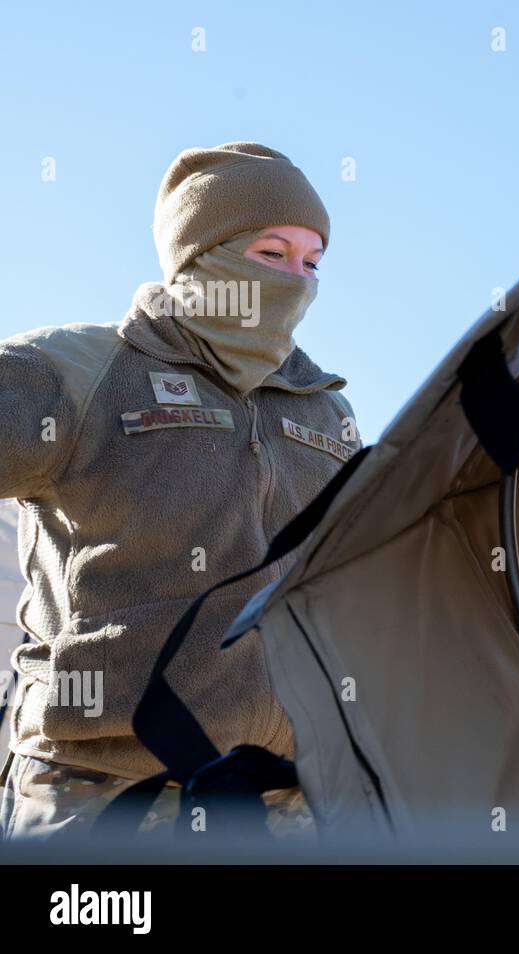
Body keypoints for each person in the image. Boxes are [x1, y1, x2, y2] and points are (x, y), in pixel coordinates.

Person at [0, 142, 361, 839]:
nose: (297, 278)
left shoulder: (327, 412)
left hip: (278, 804)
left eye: (312, 262)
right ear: (202, 253)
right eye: (271, 253)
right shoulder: (78, 371)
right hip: (98, 796)